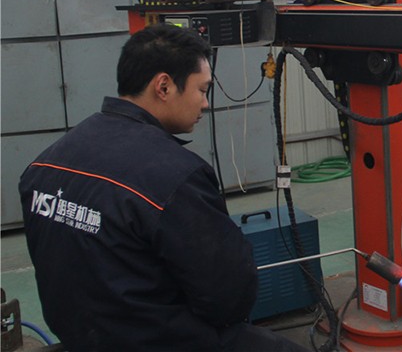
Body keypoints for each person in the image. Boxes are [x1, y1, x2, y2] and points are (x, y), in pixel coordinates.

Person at [19, 23, 308, 352]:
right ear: (164, 86)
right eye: (202, 90)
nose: (205, 104)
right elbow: (228, 299)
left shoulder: (44, 165)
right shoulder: (176, 177)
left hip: (82, 337)